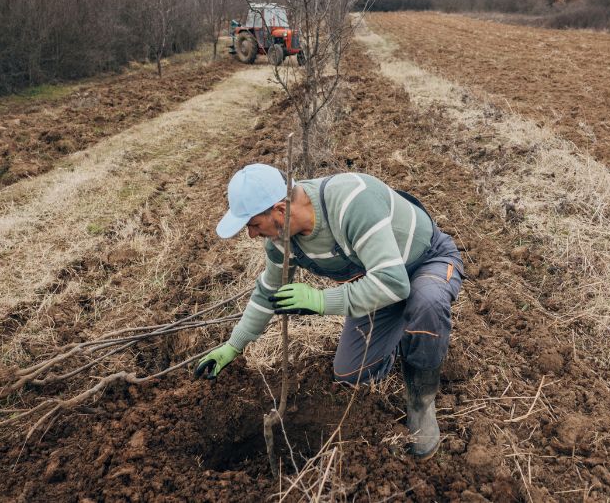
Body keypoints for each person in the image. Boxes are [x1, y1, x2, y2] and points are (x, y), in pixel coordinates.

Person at [195, 163, 463, 460]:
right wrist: (234, 345)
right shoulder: (281, 242)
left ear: (280, 211)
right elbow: (267, 293)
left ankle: (421, 403)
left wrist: (321, 302)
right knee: (350, 373)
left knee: (425, 303)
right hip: (377, 285)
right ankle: (401, 334)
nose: (251, 234)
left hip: (424, 263)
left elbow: (394, 283)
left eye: (254, 224)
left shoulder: (351, 203)